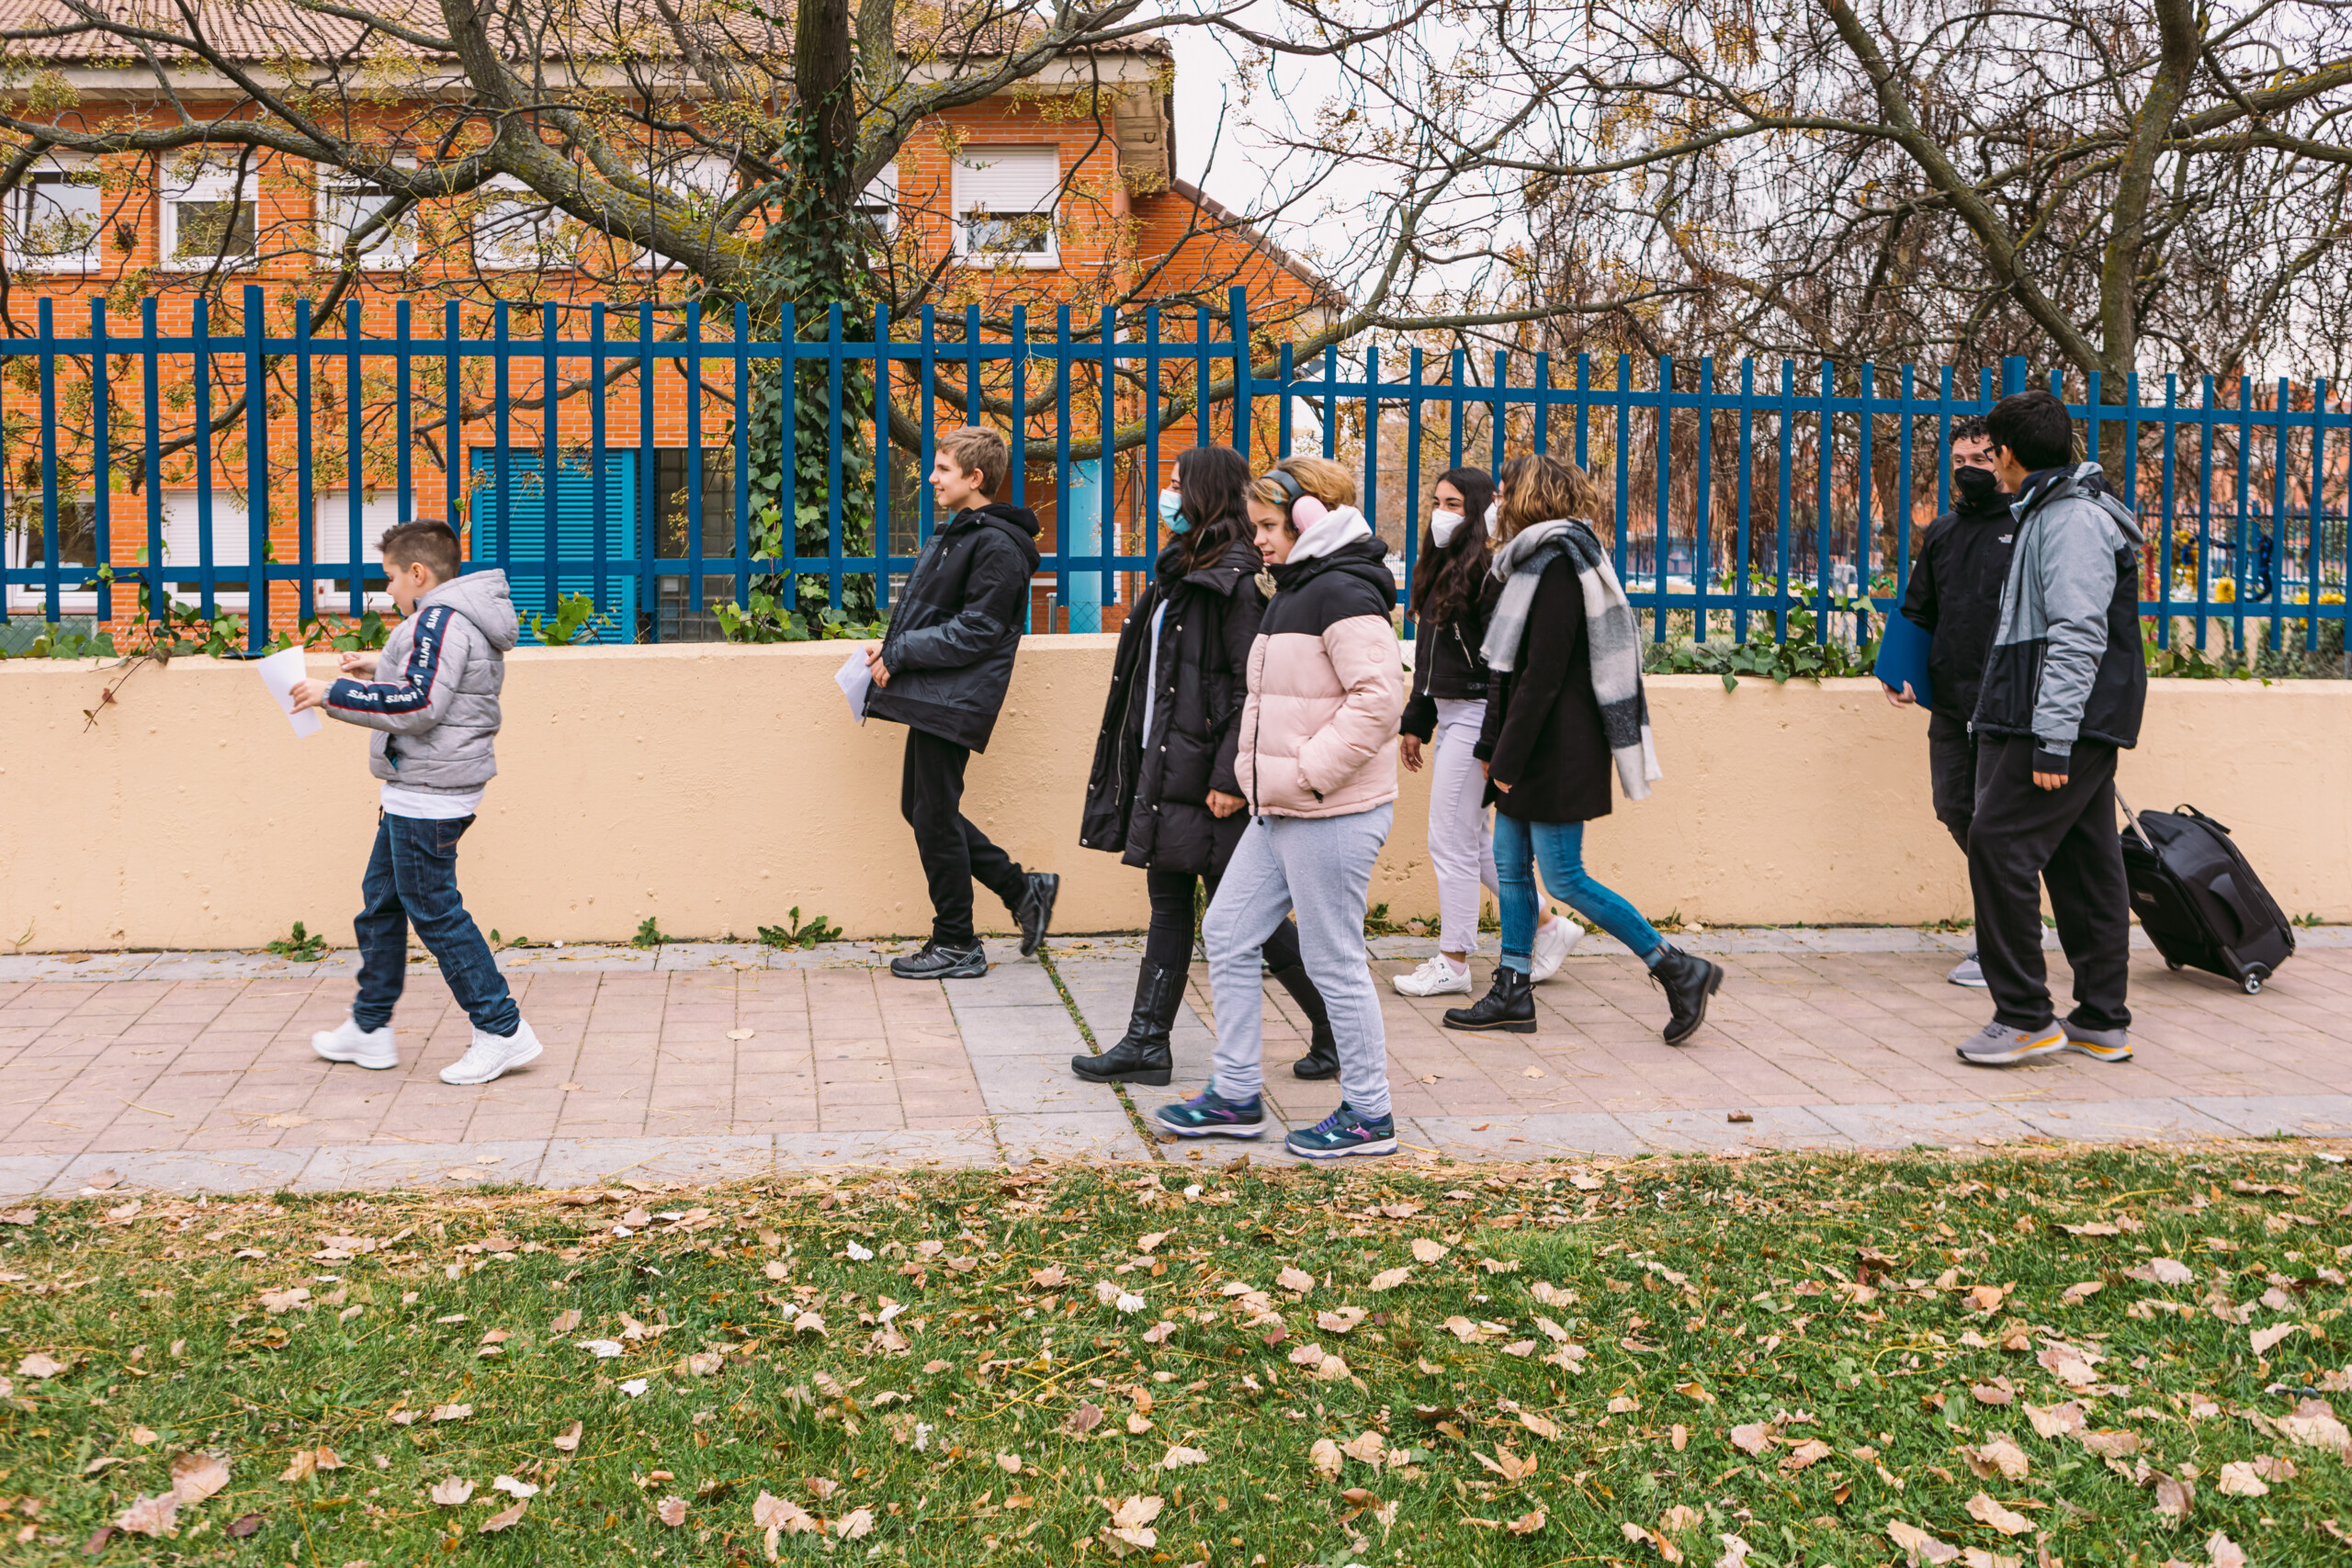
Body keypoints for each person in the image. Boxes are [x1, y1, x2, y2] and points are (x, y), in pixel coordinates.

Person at [1153, 455, 1406, 1158]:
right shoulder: (1296, 586)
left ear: (1308, 518)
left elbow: (1380, 700)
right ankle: (1235, 1094)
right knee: (1230, 931)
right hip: (1283, 807)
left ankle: (1369, 1113)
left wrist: (1307, 774)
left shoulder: (1344, 592)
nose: (1257, 537)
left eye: (1268, 525)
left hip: (1330, 810)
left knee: (1334, 960)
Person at [1074, 446, 1340, 1086]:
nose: (1165, 494)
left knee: (1245, 914)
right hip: (1166, 767)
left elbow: (1255, 688)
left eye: (1174, 484)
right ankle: (1147, 1042)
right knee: (1172, 902)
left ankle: (1335, 1023)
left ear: (1202, 493)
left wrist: (1229, 777)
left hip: (1208, 780)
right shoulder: (1183, 568)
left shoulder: (1238, 580)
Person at [1441, 453, 1724, 1043]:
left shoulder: (1559, 566)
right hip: (1529, 743)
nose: (1495, 504)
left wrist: (1509, 760)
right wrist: (1495, 748)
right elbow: (1506, 672)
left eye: (1503, 492)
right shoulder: (1528, 562)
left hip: (1557, 750)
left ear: (1529, 497)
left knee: (1565, 878)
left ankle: (1677, 967)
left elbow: (1542, 676)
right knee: (1514, 872)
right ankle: (1512, 991)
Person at [288, 522, 542, 1085]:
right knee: (381, 901)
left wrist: (334, 694)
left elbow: (421, 703)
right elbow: (446, 684)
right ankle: (370, 1027)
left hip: (431, 794)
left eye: (392, 578)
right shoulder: (452, 617)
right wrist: (377, 666)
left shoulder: (438, 619)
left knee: (435, 912)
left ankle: (502, 1030)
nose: (390, 591)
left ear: (419, 574)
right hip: (420, 787)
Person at [1953, 389, 2146, 1067]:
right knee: (2085, 861)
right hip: (2067, 716)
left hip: (2070, 720)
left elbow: (2077, 635)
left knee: (1998, 841)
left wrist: (2052, 738)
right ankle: (2100, 1019)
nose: (1985, 464)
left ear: (2007, 454)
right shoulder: (2051, 511)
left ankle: (2025, 1015)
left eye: (1989, 452)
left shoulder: (2069, 520)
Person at [863, 426, 1060, 979]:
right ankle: (1024, 891)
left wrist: (902, 652)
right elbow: (939, 614)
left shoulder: (995, 543)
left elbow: (978, 630)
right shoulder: (963, 532)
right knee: (922, 809)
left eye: (943, 469)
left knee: (932, 814)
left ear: (975, 478)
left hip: (955, 695)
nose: (931, 478)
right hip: (937, 691)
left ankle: (957, 941)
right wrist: (893, 644)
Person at [1395, 466, 1578, 998]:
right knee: (1471, 841)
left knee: (1448, 840)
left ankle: (1453, 960)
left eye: (1454, 504)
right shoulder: (1442, 565)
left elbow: (1501, 666)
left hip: (1476, 712)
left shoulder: (1488, 570)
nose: (1441, 514)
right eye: (1437, 502)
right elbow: (1429, 659)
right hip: (1449, 712)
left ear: (1477, 509)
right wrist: (1416, 724)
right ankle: (1547, 924)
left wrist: (1490, 742)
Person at [1884, 416, 2013, 988]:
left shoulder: (2027, 527)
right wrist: (1897, 672)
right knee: (1954, 810)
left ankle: (2002, 943)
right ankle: (2013, 919)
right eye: (1960, 461)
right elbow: (1918, 610)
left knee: (1994, 825)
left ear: (2004, 461)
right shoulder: (1941, 532)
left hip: (2008, 705)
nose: (1970, 471)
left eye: (1982, 460)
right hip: (1951, 704)